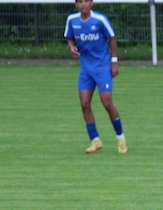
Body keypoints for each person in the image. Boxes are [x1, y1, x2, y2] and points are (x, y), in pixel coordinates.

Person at [65, 0, 127, 154]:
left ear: (92, 3)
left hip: (102, 67)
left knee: (107, 102)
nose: (84, 4)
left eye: (87, 1)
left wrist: (114, 62)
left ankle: (121, 138)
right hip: (86, 69)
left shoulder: (100, 20)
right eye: (80, 2)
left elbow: (112, 38)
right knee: (85, 103)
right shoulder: (72, 20)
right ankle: (95, 140)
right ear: (76, 4)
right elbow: (70, 38)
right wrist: (72, 48)